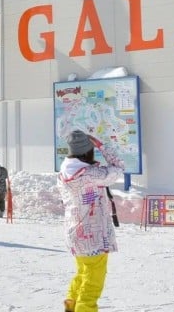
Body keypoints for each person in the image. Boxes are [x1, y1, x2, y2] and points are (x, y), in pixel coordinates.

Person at [58, 130, 124, 312]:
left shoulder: (64, 172)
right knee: (93, 282)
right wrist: (102, 146)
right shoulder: (91, 174)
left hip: (75, 234)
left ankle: (70, 307)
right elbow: (118, 167)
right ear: (88, 151)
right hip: (93, 235)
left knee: (83, 273)